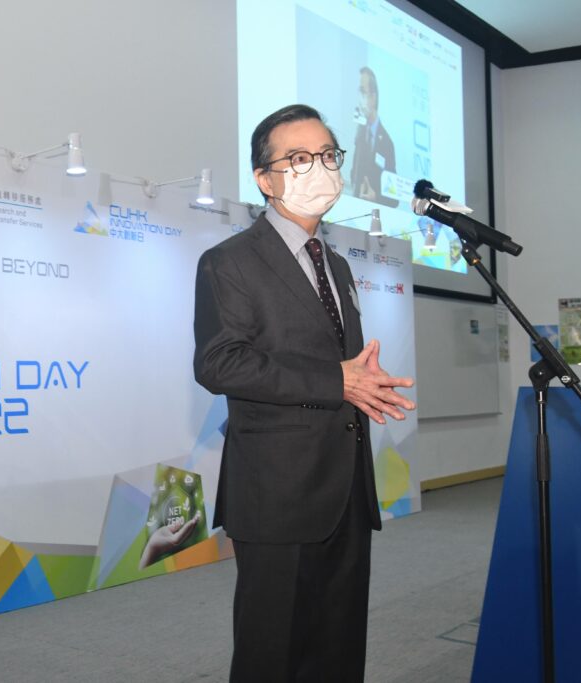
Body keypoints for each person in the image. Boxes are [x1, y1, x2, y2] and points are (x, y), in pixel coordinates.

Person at [193, 104, 416, 682]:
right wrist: (336, 379)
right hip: (278, 493)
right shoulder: (229, 262)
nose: (318, 168)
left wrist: (362, 384)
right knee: (275, 654)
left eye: (326, 155)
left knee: (339, 649)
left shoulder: (337, 264)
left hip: (346, 486)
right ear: (265, 180)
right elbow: (220, 362)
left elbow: (335, 363)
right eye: (297, 158)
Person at [351, 67, 399, 208]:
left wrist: (375, 198)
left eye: (362, 92)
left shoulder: (387, 143)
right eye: (358, 93)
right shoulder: (360, 134)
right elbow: (354, 174)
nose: (359, 100)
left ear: (373, 96)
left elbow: (393, 199)